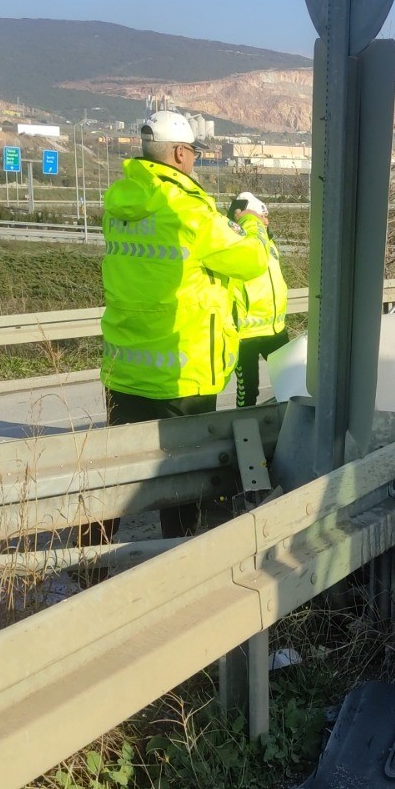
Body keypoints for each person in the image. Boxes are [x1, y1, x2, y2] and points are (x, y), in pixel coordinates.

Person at [96, 111, 270, 539]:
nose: (193, 160)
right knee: (184, 478)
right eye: (192, 152)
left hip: (125, 364)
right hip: (182, 369)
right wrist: (252, 226)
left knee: (115, 476)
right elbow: (250, 261)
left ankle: (87, 562)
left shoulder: (118, 203)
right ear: (178, 153)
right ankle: (179, 561)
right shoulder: (187, 208)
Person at [227, 191, 290, 408]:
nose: (265, 220)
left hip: (275, 329)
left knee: (291, 385)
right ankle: (244, 434)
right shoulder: (235, 240)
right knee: (248, 392)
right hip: (246, 334)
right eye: (261, 216)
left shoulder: (269, 244)